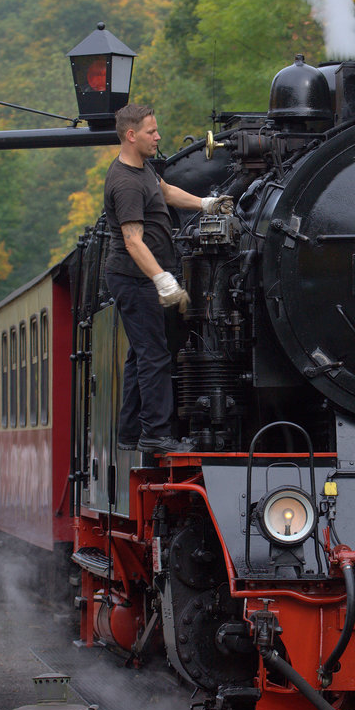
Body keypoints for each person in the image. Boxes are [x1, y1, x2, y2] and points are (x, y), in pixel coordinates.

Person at [103, 103, 233, 452]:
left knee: (140, 355)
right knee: (155, 356)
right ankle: (155, 435)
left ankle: (130, 431)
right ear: (131, 135)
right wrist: (162, 279)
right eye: (151, 131)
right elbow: (132, 241)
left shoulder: (143, 170)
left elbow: (166, 192)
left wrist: (206, 204)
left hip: (142, 278)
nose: (158, 136)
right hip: (135, 279)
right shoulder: (125, 183)